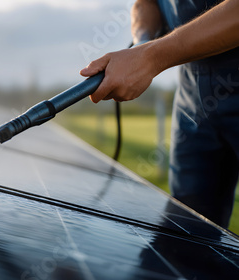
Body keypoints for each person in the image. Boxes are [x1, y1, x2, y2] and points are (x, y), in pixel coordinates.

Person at [80, 0, 239, 228]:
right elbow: (147, 3)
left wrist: (151, 56)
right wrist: (142, 42)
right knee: (185, 225)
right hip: (192, 92)